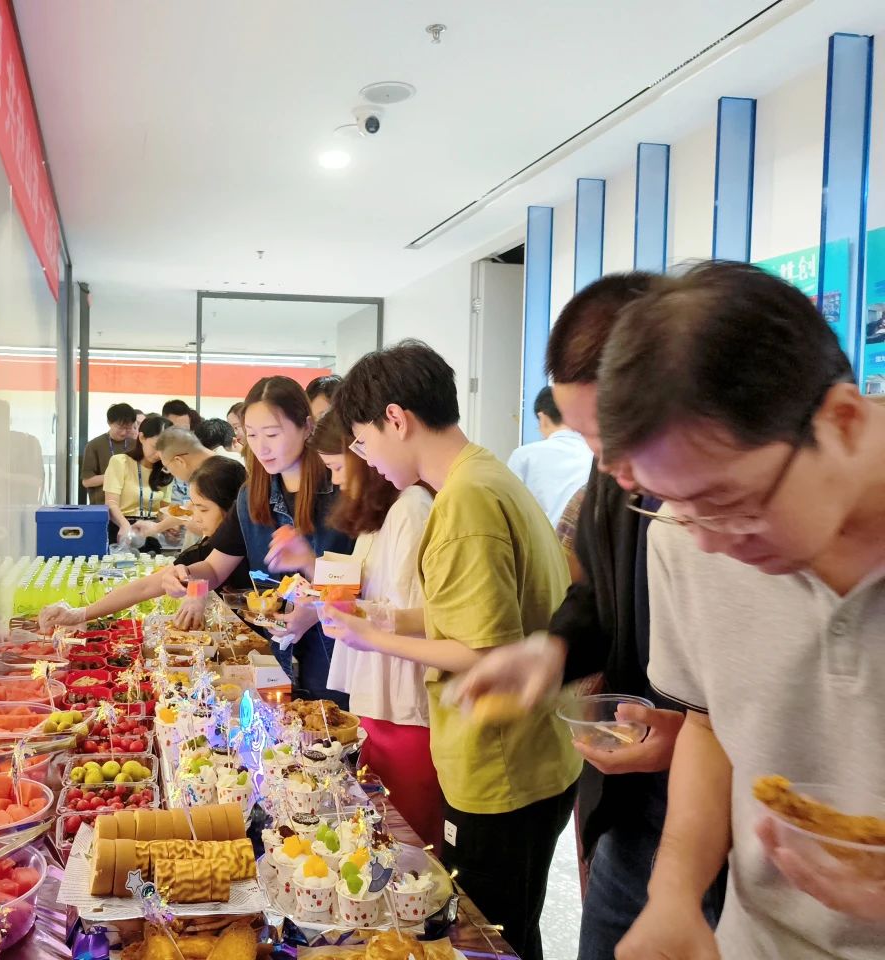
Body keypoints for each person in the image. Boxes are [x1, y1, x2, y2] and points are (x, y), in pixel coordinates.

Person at [583, 262, 885, 959]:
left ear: (841, 421)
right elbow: (709, 724)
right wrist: (674, 893)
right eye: (674, 506)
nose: (708, 543)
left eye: (729, 503)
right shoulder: (681, 535)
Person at [450, 274, 727, 959]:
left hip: (740, 830)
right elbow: (599, 592)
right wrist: (552, 649)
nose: (611, 466)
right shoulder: (618, 480)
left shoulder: (740, 512)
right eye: (590, 440)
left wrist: (699, 738)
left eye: (610, 436)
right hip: (637, 804)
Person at [313, 340, 579, 960]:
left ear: (396, 419)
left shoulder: (463, 500)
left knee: (490, 935)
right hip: (528, 752)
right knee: (511, 927)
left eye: (362, 441)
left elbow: (484, 650)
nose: (366, 459)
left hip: (503, 762)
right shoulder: (481, 474)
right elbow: (481, 611)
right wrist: (388, 615)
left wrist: (373, 637)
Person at [160, 376, 355, 703]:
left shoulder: (342, 489)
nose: (261, 447)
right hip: (276, 653)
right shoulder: (252, 495)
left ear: (307, 427)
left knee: (334, 729)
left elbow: (364, 580)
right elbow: (215, 567)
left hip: (337, 656)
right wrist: (187, 576)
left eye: (272, 434)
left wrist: (316, 607)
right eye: (251, 434)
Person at [308, 412, 442, 847]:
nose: (337, 482)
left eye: (338, 468)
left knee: (408, 837)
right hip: (379, 696)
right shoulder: (384, 513)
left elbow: (417, 614)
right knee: (383, 830)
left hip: (402, 699)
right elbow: (361, 585)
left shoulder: (411, 508)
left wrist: (354, 611)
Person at [40, 457, 252, 630]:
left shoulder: (255, 536)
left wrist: (198, 592)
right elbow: (145, 587)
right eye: (193, 506)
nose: (194, 517)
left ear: (234, 508)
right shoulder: (209, 548)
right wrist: (80, 614)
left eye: (203, 509)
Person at [507, 385, 594, 526]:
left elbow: (509, 509)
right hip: (578, 537)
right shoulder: (592, 454)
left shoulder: (523, 456)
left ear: (543, 418)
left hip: (538, 539)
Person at [103, 415, 173, 550]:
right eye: (155, 447)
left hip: (150, 532)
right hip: (121, 529)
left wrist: (169, 526)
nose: (159, 454)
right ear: (141, 437)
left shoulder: (166, 469)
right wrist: (124, 525)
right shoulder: (120, 462)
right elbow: (111, 503)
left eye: (165, 449)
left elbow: (163, 510)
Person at [81, 403, 138, 504]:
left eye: (128, 428)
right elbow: (87, 481)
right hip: (103, 505)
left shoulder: (136, 445)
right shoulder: (94, 445)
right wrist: (115, 476)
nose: (124, 432)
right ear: (109, 422)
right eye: (120, 427)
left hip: (131, 506)